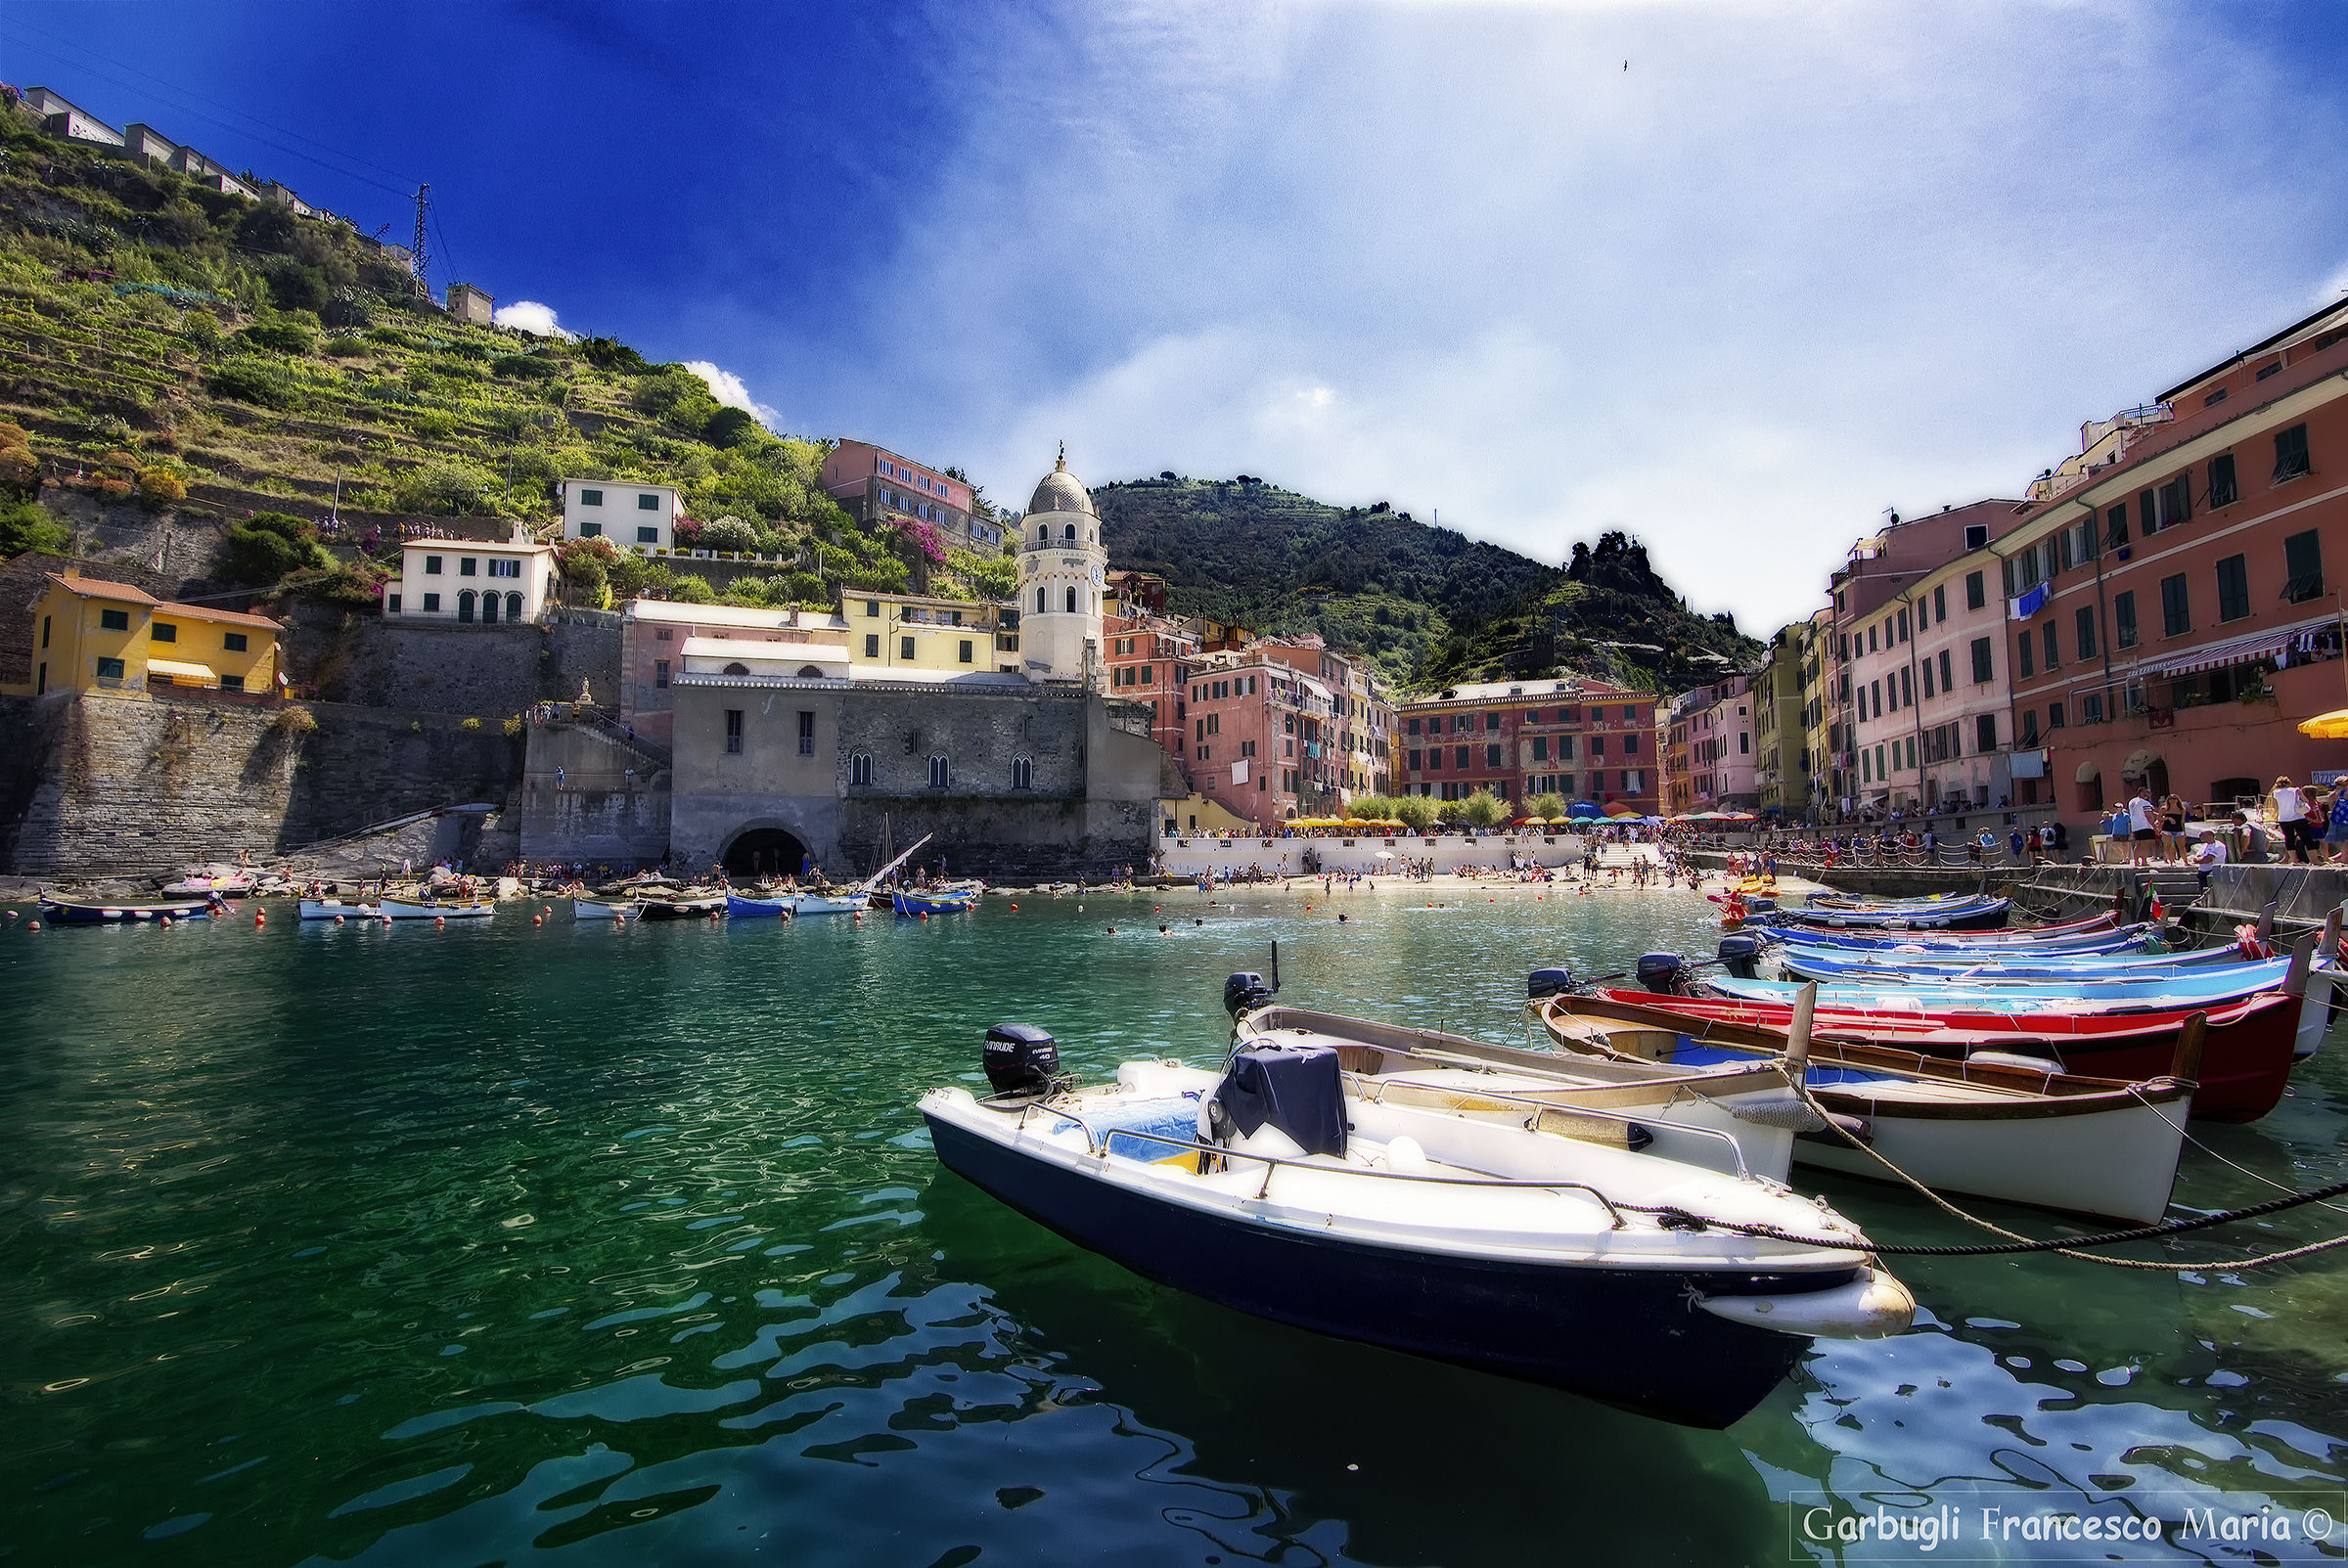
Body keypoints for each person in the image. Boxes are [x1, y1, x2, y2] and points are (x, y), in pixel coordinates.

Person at [2274, 776, 2317, 864]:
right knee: (2307, 839)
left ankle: (2294, 859)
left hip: (2284, 819)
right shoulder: (2296, 790)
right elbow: (2306, 800)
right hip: (2298, 817)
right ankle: (2314, 860)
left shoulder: (2275, 793)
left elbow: (2275, 807)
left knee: (2289, 839)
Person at [2125, 788, 2156, 868]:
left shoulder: (2131, 802)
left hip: (2135, 826)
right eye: (2147, 792)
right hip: (2145, 825)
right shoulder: (2145, 803)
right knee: (2146, 844)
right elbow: (2148, 815)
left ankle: (2136, 861)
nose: (2149, 794)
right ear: (2142, 793)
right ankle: (2144, 860)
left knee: (2138, 844)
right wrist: (2154, 826)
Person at [2158, 794, 2189, 865]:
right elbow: (2159, 817)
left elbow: (2182, 821)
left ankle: (2185, 861)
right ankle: (2171, 861)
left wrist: (2184, 831)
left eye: (2174, 798)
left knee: (2182, 846)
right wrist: (2168, 818)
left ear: (2177, 800)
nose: (2172, 800)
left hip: (2178, 829)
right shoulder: (2164, 809)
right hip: (2167, 829)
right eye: (2170, 798)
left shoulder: (2181, 809)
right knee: (2168, 846)